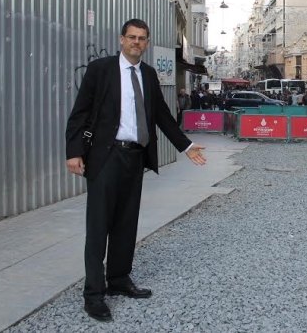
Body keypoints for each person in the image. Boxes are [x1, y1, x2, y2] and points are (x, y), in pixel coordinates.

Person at [65, 19, 207, 322]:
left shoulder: (148, 74)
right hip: (105, 157)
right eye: (132, 37)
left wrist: (186, 145)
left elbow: (162, 116)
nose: (136, 43)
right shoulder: (101, 69)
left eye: (142, 38)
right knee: (99, 226)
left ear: (147, 42)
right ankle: (94, 294)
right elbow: (80, 112)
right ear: (121, 39)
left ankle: (118, 279)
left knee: (126, 223)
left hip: (135, 157)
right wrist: (74, 152)